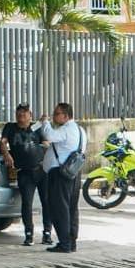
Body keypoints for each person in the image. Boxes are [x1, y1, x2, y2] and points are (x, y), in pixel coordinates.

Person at [1, 103, 52, 246]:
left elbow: (47, 142)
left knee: (46, 202)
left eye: (23, 115)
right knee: (27, 204)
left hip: (41, 170)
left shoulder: (37, 128)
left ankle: (47, 233)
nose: (21, 118)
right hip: (24, 172)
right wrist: (6, 154)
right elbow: (3, 142)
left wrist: (44, 147)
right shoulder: (10, 127)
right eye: (18, 115)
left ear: (30, 115)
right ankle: (28, 234)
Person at [40, 103, 85, 253]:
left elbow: (49, 135)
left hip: (60, 174)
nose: (54, 116)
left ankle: (64, 242)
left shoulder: (66, 129)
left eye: (57, 113)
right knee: (72, 208)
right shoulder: (80, 130)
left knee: (60, 208)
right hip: (73, 172)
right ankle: (71, 241)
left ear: (66, 116)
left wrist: (45, 122)